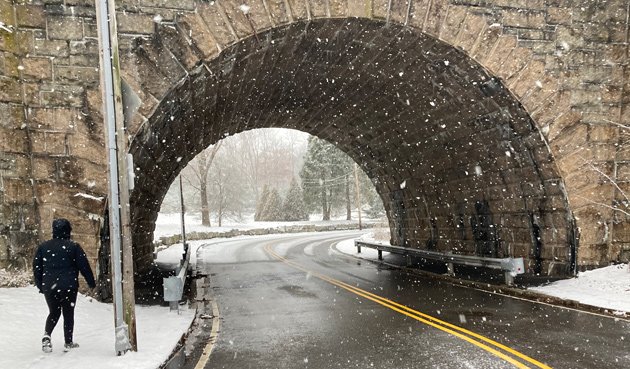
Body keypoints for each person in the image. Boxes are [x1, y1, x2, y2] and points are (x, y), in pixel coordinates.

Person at [33, 218, 96, 353]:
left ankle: (47, 335)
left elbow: (37, 268)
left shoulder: (43, 247)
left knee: (54, 312)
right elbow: (84, 266)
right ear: (68, 231)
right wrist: (91, 282)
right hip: (69, 285)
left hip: (49, 286)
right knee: (68, 312)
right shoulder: (73, 247)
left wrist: (40, 285)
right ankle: (68, 341)